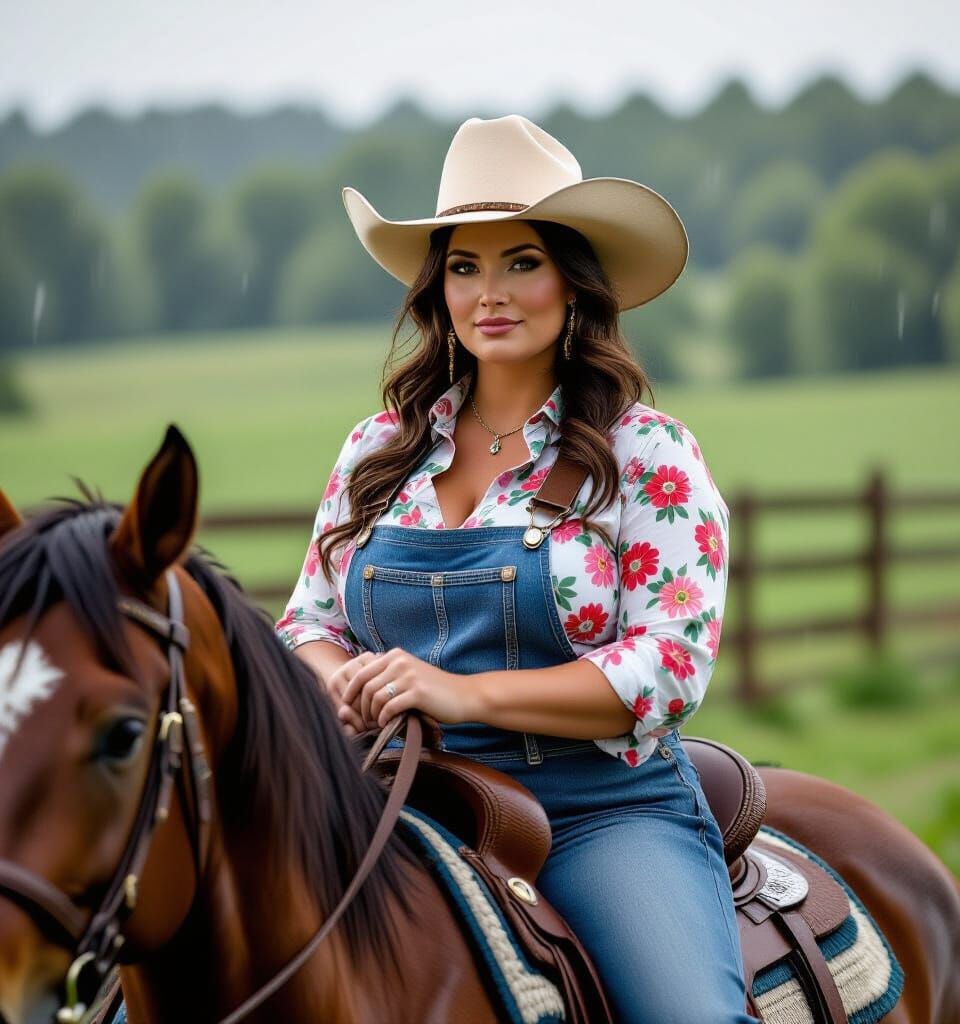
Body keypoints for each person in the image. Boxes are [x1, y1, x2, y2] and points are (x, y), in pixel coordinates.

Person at [275, 114, 757, 1023]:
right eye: (464, 266)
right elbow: (306, 622)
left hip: (593, 811)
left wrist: (461, 695)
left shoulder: (645, 451)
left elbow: (670, 667)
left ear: (576, 285)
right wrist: (345, 684)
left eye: (521, 261)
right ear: (439, 290)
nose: (489, 293)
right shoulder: (380, 449)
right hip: (383, 793)